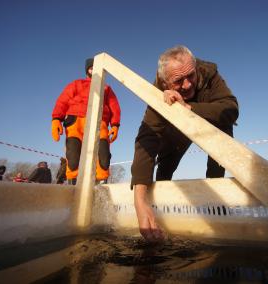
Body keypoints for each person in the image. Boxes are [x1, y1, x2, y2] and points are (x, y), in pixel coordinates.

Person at [131, 45, 239, 242]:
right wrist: (140, 199)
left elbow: (231, 108)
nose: (188, 85)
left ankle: (216, 198)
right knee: (165, 165)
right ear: (165, 83)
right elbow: (147, 137)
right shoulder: (157, 90)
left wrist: (188, 108)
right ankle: (159, 204)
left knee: (224, 124)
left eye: (191, 75)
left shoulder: (210, 74)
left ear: (196, 67)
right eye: (179, 81)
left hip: (207, 121)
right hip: (175, 133)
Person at [51, 57, 121, 185]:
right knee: (73, 151)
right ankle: (73, 179)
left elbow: (114, 106)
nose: (94, 69)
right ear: (87, 70)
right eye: (91, 67)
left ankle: (101, 180)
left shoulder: (106, 88)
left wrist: (115, 125)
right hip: (76, 120)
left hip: (100, 122)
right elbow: (63, 101)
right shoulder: (76, 84)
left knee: (103, 153)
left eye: (97, 67)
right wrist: (56, 119)